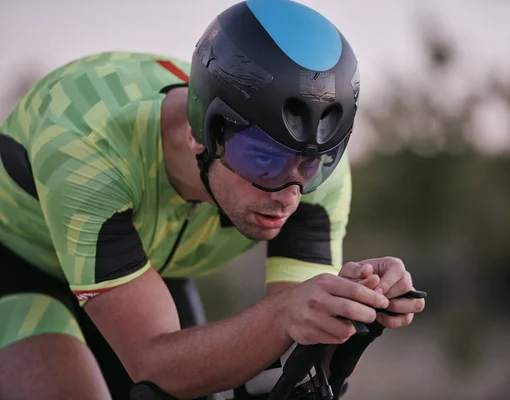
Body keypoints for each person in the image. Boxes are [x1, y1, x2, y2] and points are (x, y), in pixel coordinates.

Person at [0, 1, 425, 399]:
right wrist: (283, 314)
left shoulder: (312, 179)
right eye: (263, 158)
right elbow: (155, 363)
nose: (287, 195)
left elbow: (295, 347)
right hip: (23, 264)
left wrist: (353, 305)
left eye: (313, 163)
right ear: (199, 134)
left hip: (147, 266)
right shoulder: (86, 148)